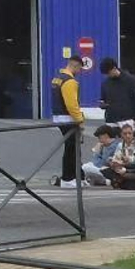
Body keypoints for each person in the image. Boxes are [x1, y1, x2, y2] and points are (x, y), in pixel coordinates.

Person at [48, 56, 85, 188]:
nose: (79, 72)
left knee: (71, 147)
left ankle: (78, 176)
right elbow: (71, 104)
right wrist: (79, 120)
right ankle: (68, 178)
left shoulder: (57, 79)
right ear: (75, 66)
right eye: (80, 68)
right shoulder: (70, 81)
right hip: (68, 119)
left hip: (58, 117)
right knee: (71, 149)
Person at [98, 58, 135, 126]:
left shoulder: (129, 80)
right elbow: (103, 99)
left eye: (109, 73)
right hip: (111, 119)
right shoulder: (105, 83)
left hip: (127, 119)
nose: (108, 75)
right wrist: (102, 104)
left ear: (114, 68)